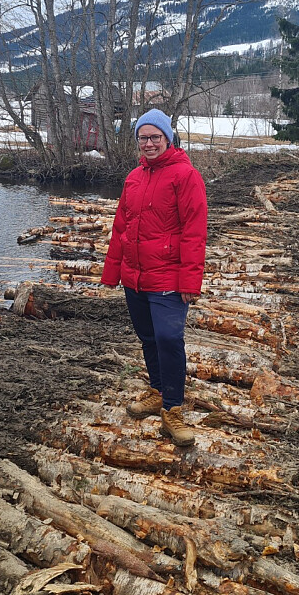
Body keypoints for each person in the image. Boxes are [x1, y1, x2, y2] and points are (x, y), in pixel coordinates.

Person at [100, 108, 208, 447]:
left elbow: (194, 231)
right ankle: (158, 391)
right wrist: (112, 273)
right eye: (143, 138)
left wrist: (190, 281)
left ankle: (173, 410)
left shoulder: (186, 176)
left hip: (168, 278)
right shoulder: (134, 178)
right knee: (148, 337)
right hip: (135, 277)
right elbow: (121, 227)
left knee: (168, 339)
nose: (149, 143)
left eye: (155, 137)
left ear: (167, 138)